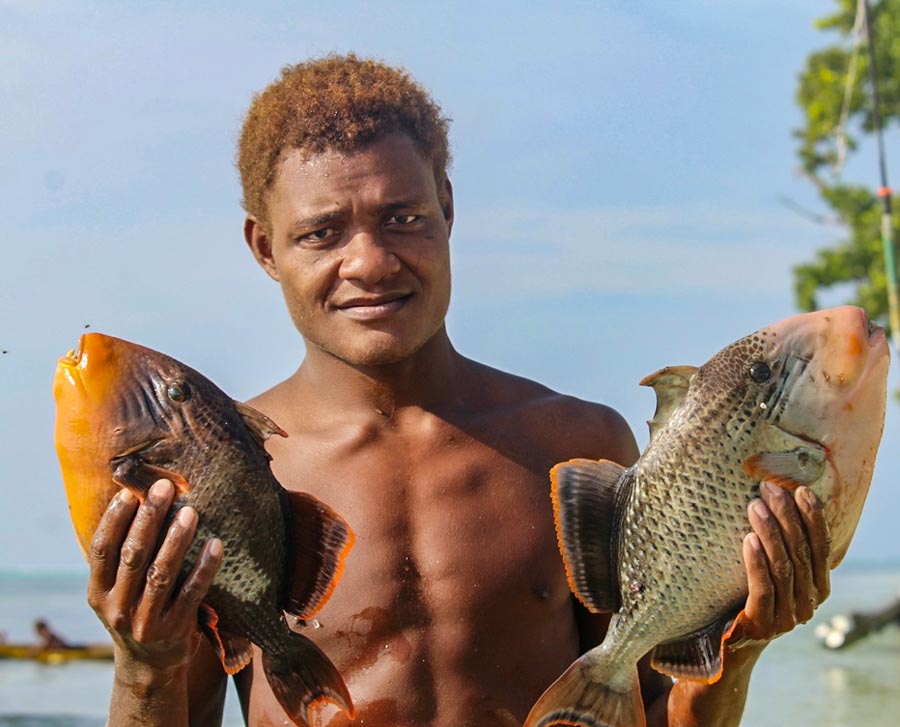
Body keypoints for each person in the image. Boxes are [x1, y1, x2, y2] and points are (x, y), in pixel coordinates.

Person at [85, 54, 831, 726]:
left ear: (447, 204)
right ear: (264, 248)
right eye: (321, 233)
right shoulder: (235, 474)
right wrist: (143, 663)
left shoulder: (574, 447)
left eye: (402, 217)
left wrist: (739, 645)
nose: (370, 261)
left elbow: (652, 710)